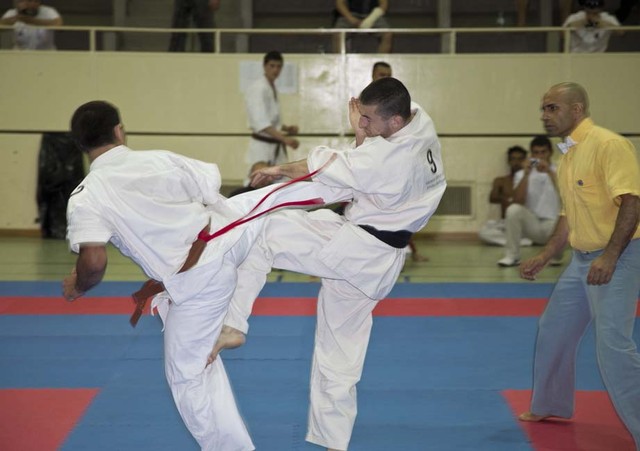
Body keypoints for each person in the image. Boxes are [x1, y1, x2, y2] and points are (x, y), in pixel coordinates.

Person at [61, 100, 351, 451]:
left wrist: (77, 285)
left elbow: (94, 262)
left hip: (200, 282)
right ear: (119, 131)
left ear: (80, 145)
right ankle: (352, 196)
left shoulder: (87, 196)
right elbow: (209, 189)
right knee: (269, 199)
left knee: (188, 374)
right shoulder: (159, 159)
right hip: (227, 232)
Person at [215, 77, 447, 451]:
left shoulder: (392, 159)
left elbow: (327, 169)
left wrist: (278, 169)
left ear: (395, 121)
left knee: (263, 231)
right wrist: (364, 131)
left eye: (369, 119)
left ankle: (233, 324)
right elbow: (359, 169)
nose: (363, 122)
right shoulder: (420, 120)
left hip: (358, 248)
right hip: (381, 261)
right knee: (340, 354)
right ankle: (333, 442)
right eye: (363, 116)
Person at [518, 82, 640, 450]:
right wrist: (545, 255)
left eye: (552, 108)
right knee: (554, 329)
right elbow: (568, 217)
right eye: (543, 108)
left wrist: (610, 256)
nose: (544, 115)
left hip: (619, 256)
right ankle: (550, 404)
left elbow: (632, 203)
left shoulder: (609, 145)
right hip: (582, 260)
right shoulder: (568, 155)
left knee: (613, 346)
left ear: (577, 109)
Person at [370, 60, 428, 262]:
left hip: (394, 163)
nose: (384, 78)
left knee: (402, 205)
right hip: (373, 163)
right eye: (381, 75)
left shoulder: (400, 104)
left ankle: (408, 249)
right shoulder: (365, 103)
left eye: (388, 75)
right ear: (373, 76)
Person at [497, 135, 562, 267]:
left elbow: (568, 196)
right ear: (531, 154)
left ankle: (554, 255)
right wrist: (526, 175)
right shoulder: (521, 174)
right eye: (536, 153)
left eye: (543, 152)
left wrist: (549, 172)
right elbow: (517, 200)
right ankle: (512, 256)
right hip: (532, 224)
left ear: (550, 152)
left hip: (554, 224)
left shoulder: (561, 170)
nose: (540, 156)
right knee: (513, 210)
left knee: (572, 216)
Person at [244, 51, 299, 183]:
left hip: (274, 146)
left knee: (282, 181)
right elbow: (261, 123)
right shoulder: (258, 89)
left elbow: (270, 119)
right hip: (262, 148)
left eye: (279, 66)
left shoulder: (271, 87)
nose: (275, 70)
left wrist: (286, 128)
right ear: (264, 66)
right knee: (258, 182)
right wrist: (285, 139)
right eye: (272, 66)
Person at [478, 145, 530, 246]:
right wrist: (508, 199)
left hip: (523, 224)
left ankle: (515, 240)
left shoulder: (530, 180)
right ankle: (518, 242)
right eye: (513, 159)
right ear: (509, 161)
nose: (516, 162)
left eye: (520, 159)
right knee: (484, 232)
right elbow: (492, 198)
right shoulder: (501, 181)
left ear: (525, 161)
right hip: (505, 223)